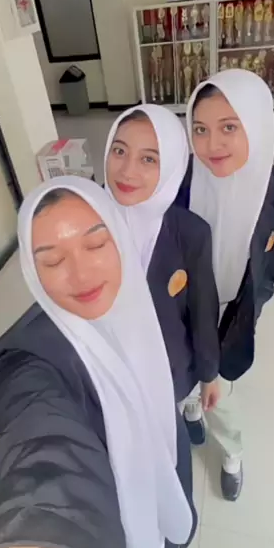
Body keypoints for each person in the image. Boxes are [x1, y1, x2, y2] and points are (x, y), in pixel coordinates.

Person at [0, 177, 197, 548]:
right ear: (31, 272)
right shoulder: (30, 361)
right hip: (106, 501)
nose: (81, 275)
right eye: (52, 260)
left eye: (96, 244)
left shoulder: (136, 298)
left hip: (161, 453)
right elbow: (46, 460)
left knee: (154, 531)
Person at [175, 69, 274, 502]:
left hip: (230, 314)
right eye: (200, 129)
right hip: (182, 305)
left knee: (222, 396)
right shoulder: (180, 181)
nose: (211, 144)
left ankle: (231, 453)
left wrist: (246, 312)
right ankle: (189, 409)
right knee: (183, 378)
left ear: (256, 124)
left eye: (228, 127)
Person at [104, 105, 220, 446]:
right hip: (111, 364)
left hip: (169, 367)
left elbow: (202, 310)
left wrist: (209, 374)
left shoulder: (191, 233)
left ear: (170, 167)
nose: (127, 171)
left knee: (166, 426)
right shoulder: (86, 220)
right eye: (119, 151)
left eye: (148, 159)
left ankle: (187, 414)